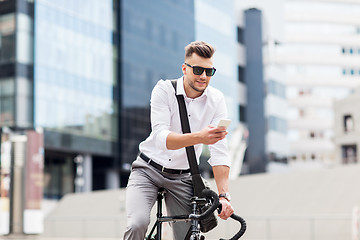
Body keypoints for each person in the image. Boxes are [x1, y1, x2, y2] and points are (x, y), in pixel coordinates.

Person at [123, 41, 234, 240]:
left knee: (188, 236)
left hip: (183, 177)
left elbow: (220, 151)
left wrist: (224, 196)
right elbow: (160, 138)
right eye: (198, 70)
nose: (203, 76)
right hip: (148, 170)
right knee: (137, 224)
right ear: (184, 68)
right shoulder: (164, 90)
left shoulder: (216, 100)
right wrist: (199, 137)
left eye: (209, 72)